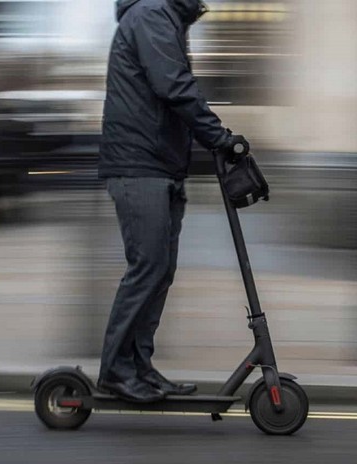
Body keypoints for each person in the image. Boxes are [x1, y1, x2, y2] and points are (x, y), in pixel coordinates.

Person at [97, 0, 248, 403]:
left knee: (159, 271)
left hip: (161, 166)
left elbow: (171, 90)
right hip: (138, 165)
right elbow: (173, 84)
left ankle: (139, 369)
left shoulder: (168, 18)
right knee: (147, 268)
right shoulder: (150, 13)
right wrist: (219, 136)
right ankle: (115, 371)